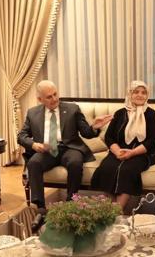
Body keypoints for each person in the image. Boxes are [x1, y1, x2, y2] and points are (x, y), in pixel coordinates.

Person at [17, 80, 111, 214]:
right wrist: (33, 144)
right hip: (47, 150)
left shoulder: (73, 109)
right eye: (49, 97)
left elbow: (86, 132)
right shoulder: (32, 113)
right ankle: (40, 207)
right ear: (40, 99)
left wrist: (94, 127)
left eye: (55, 94)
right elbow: (21, 136)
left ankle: (71, 202)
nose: (54, 99)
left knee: (75, 162)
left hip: (70, 148)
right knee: (33, 163)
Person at [90, 80, 155, 210]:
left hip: (143, 153)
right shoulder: (120, 113)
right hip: (119, 151)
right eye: (136, 92)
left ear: (147, 95)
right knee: (107, 167)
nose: (140, 95)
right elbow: (109, 137)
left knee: (127, 170)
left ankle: (117, 211)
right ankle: (110, 210)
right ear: (130, 94)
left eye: (144, 92)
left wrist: (132, 153)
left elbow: (153, 140)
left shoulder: (152, 114)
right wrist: (117, 151)